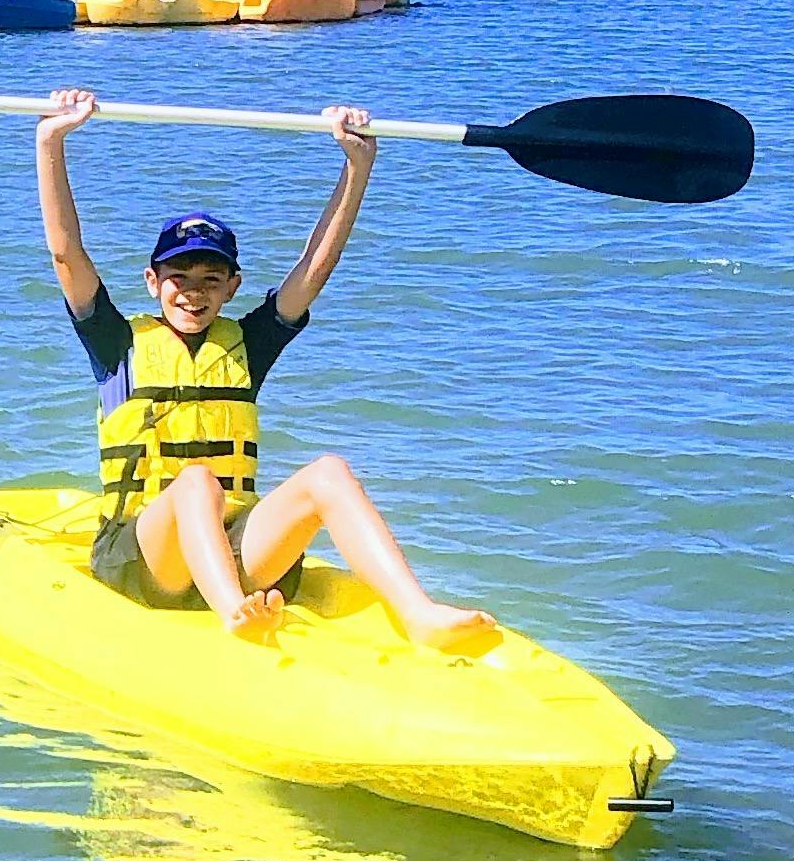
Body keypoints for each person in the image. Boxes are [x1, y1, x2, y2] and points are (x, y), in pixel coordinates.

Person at [34, 85, 494, 648]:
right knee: (195, 481)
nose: (193, 294)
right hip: (143, 555)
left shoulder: (247, 345)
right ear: (153, 283)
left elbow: (316, 267)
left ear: (233, 287)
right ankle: (234, 614)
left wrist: (357, 168)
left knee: (329, 473)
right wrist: (49, 140)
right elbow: (65, 252)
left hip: (235, 543)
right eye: (178, 279)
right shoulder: (116, 343)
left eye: (210, 281)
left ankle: (419, 614)